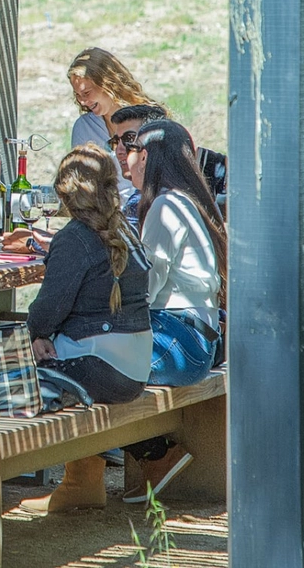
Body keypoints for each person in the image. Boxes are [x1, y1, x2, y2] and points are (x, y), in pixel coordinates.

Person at [19, 144, 152, 515]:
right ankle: (81, 483)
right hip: (137, 368)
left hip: (99, 367)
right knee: (47, 358)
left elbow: (48, 308)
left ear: (64, 192)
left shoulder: (75, 237)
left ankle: (72, 481)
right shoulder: (124, 230)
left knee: (9, 375)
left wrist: (36, 336)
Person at [117, 118, 226, 503]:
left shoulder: (164, 207)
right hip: (197, 338)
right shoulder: (185, 201)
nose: (124, 160)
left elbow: (146, 288)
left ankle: (155, 456)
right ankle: (152, 457)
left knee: (87, 365)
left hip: (180, 339)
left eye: (128, 151)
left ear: (144, 156)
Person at [67, 48, 160, 201]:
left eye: (86, 93)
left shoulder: (148, 119)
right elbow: (82, 182)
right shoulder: (84, 127)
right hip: (104, 215)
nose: (82, 101)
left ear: (107, 84)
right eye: (77, 95)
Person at [107, 103, 169, 230]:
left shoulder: (162, 200)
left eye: (129, 139)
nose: (119, 151)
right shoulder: (140, 198)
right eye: (116, 141)